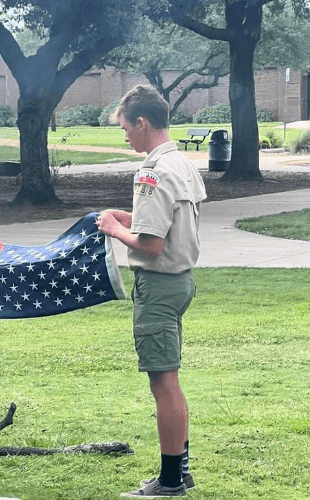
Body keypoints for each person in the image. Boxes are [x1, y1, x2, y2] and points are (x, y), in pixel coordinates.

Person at [96, 84, 206, 498]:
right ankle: (181, 469)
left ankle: (171, 481)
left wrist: (113, 228)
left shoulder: (151, 171)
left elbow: (150, 244)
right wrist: (128, 217)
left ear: (142, 122)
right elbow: (167, 221)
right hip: (181, 281)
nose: (125, 136)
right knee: (169, 378)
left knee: (164, 380)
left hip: (159, 284)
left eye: (125, 127)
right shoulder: (181, 162)